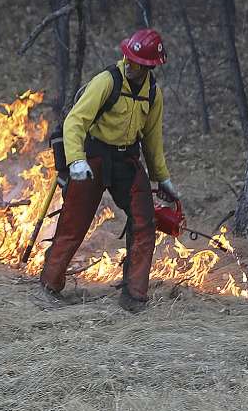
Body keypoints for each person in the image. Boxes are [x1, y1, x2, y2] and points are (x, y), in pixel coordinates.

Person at [38, 29, 179, 313]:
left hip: (127, 160)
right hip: (94, 156)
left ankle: (134, 297)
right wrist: (76, 160)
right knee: (73, 223)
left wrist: (162, 177)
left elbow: (153, 139)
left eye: (137, 61)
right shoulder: (106, 82)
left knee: (144, 223)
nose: (130, 64)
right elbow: (75, 122)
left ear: (150, 66)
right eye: (128, 57)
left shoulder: (153, 93)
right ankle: (49, 286)